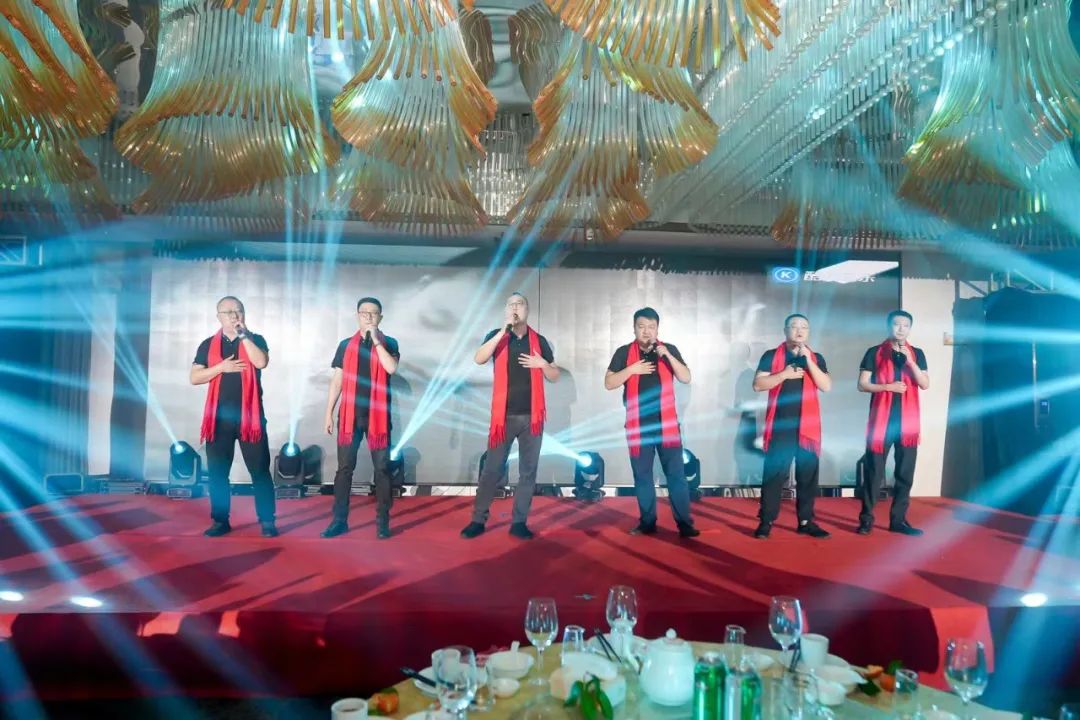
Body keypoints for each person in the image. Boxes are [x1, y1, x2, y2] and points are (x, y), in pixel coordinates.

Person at [461, 293, 560, 540]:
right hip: (503, 418)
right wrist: (501, 332)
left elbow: (554, 375)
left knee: (528, 471)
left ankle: (519, 522)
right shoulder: (497, 336)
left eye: (520, 304)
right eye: (511, 304)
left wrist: (543, 365)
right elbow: (479, 358)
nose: (516, 308)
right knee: (492, 470)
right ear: (506, 310)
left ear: (527, 310)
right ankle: (478, 519)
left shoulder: (539, 340)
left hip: (532, 417)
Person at [605, 308, 700, 538]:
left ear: (657, 329)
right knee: (643, 476)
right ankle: (647, 522)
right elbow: (609, 383)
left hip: (667, 425)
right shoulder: (624, 352)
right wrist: (632, 369)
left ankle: (684, 524)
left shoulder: (668, 350)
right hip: (638, 426)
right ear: (634, 328)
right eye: (641, 326)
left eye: (651, 327)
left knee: (676, 476)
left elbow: (686, 377)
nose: (646, 331)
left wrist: (667, 356)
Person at [190, 296, 278, 538]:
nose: (234, 315)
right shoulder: (208, 345)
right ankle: (220, 521)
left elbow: (260, 362)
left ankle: (267, 521)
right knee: (218, 473)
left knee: (260, 471)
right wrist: (221, 367)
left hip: (251, 418)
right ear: (218, 317)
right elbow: (194, 377)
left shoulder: (256, 339)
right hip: (218, 420)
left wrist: (244, 336)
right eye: (228, 312)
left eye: (238, 310)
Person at [322, 297, 401, 539]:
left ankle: (382, 522)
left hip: (378, 417)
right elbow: (338, 380)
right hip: (350, 416)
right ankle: (339, 521)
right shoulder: (346, 345)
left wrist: (376, 341)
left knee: (382, 469)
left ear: (380, 317)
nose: (368, 316)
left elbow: (391, 368)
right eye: (364, 312)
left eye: (373, 313)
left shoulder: (389, 342)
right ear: (357, 315)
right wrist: (328, 413)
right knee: (344, 469)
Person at [752, 313, 832, 539]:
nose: (799, 331)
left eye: (804, 327)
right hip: (781, 426)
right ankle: (766, 521)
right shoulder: (772, 355)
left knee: (807, 476)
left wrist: (809, 361)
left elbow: (826, 385)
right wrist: (784, 374)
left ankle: (806, 521)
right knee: (774, 475)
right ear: (785, 330)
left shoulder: (816, 357)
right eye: (794, 326)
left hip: (808, 428)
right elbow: (758, 384)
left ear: (808, 332)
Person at [856, 310, 929, 536]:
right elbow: (862, 384)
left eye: (905, 325)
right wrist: (887, 387)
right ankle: (866, 519)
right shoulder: (875, 352)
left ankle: (898, 520)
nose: (901, 329)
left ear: (910, 329)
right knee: (874, 472)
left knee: (905, 473)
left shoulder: (917, 353)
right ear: (889, 326)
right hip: (881, 421)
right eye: (897, 324)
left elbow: (924, 383)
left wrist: (911, 363)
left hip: (907, 423)